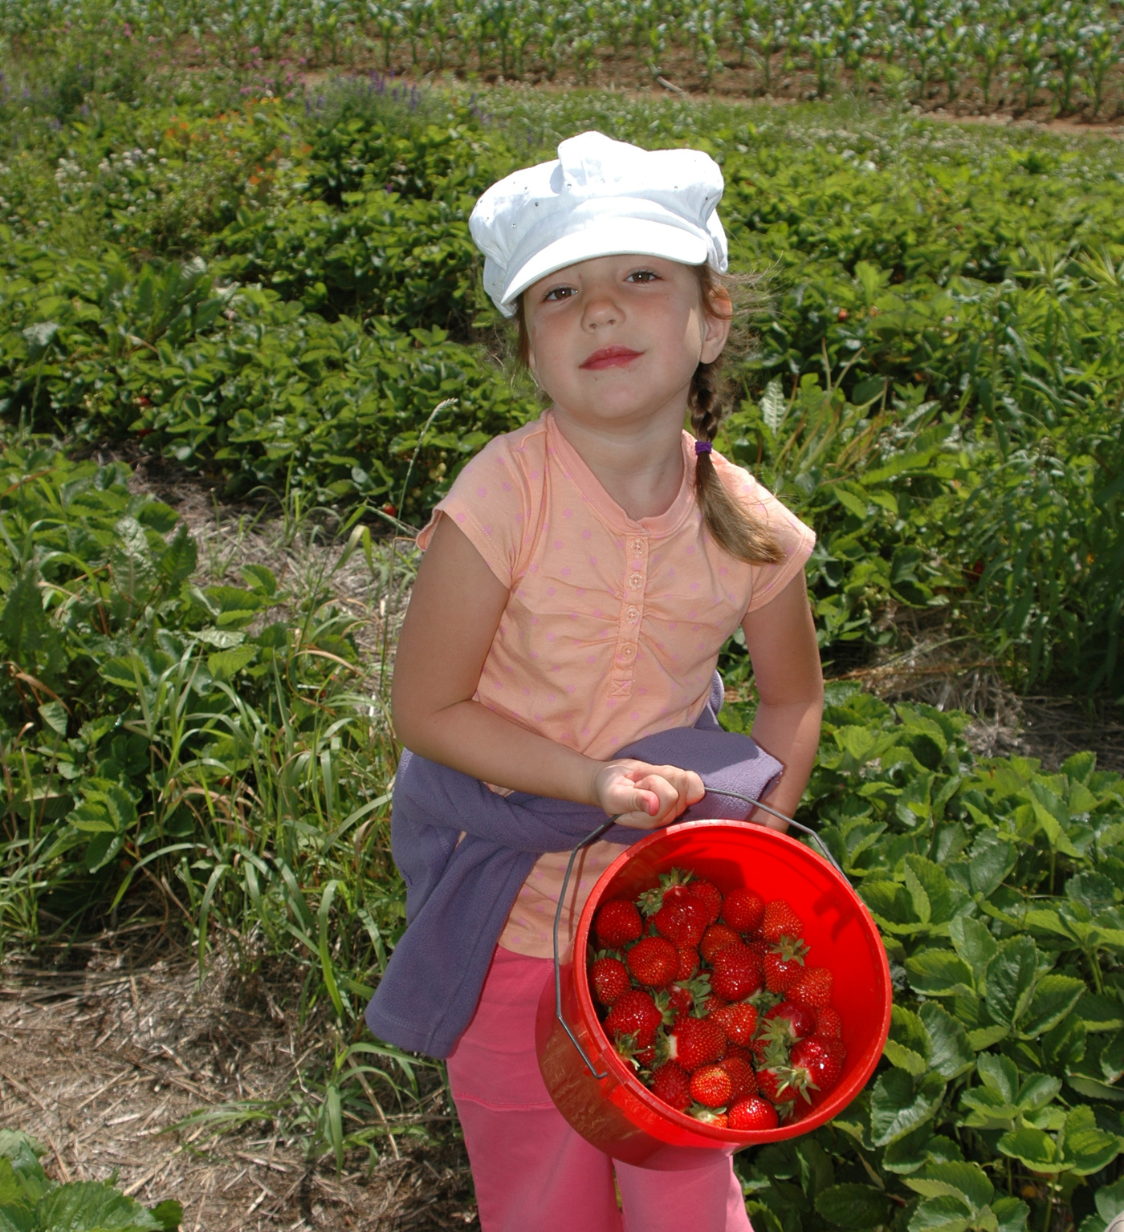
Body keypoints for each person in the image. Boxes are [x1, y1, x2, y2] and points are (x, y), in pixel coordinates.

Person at [373, 131, 824, 1232]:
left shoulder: (748, 525)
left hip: (660, 925)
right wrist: (591, 782)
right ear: (528, 349)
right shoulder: (499, 503)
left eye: (640, 275)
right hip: (509, 924)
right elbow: (425, 709)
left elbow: (793, 698)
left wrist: (748, 845)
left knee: (686, 1189)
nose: (601, 309)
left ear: (709, 319)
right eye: (560, 292)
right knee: (542, 1193)